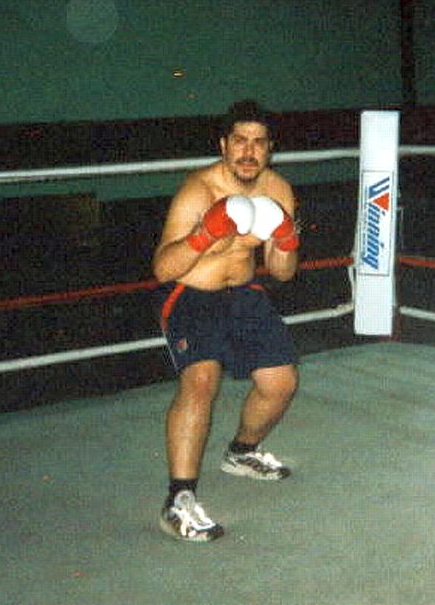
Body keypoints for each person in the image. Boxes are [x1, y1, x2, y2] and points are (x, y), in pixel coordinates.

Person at [152, 100, 300, 542]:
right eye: (240, 141)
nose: (249, 152)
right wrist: (204, 234)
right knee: (201, 380)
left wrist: (287, 237)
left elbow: (282, 272)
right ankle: (178, 500)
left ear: (270, 149)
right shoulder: (197, 191)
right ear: (224, 145)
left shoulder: (279, 191)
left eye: (259, 143)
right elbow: (162, 267)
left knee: (281, 382)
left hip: (243, 293)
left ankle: (241, 452)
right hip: (190, 293)